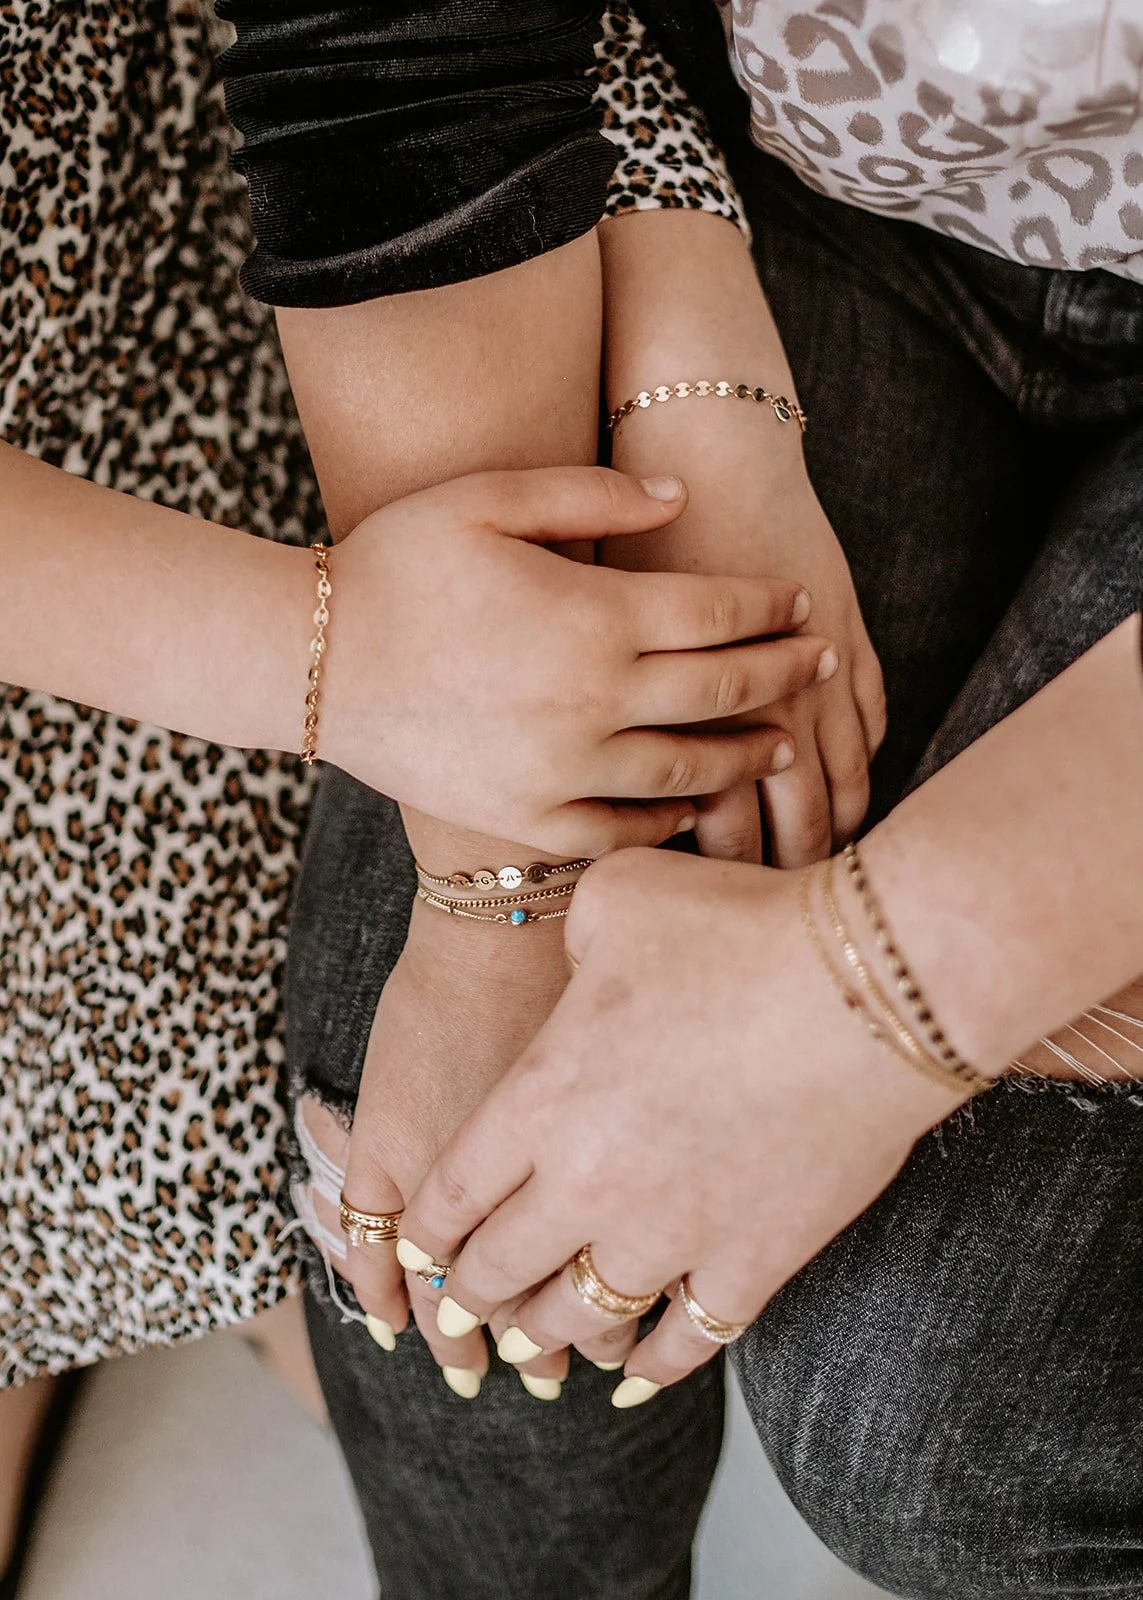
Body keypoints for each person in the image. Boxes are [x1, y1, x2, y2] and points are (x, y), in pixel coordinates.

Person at [217, 1, 1143, 1596]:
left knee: (949, 1427)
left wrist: (874, 989)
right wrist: (495, 878)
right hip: (817, 182)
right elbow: (392, 47)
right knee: (447, 1148)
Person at [0, 1, 816, 1588]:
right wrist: (346, 673)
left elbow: (395, 45)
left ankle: (211, 1260)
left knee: (392, 1222)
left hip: (264, 269)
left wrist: (687, 334)